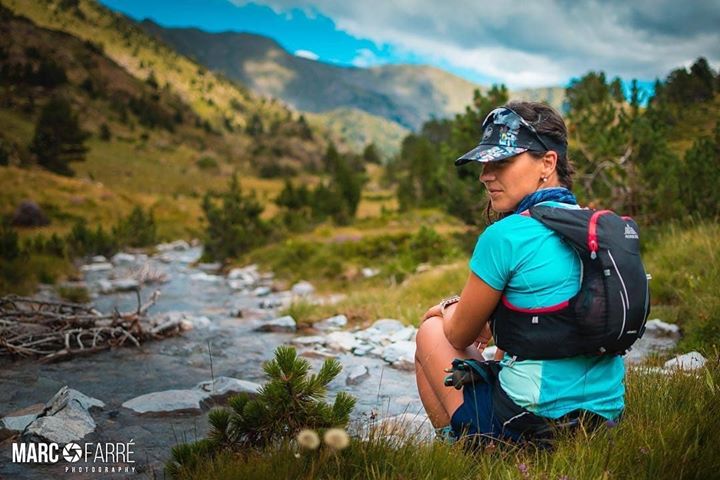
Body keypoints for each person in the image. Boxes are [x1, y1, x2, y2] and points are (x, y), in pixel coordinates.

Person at [414, 101, 625, 443]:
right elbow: (553, 320)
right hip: (606, 418)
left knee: (431, 332)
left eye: (502, 161)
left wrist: (445, 308)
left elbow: (457, 337)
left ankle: (465, 449)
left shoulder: (505, 235)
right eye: (484, 164)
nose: (485, 175)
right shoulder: (594, 227)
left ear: (547, 162)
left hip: (530, 424)